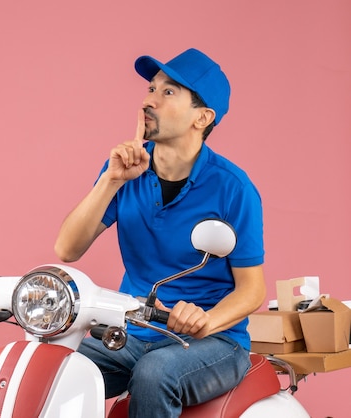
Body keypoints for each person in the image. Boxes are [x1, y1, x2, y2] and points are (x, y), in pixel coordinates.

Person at [54, 48, 266, 417]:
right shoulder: (125, 170)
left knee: (154, 374)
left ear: (202, 117)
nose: (148, 100)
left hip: (215, 343)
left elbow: (253, 289)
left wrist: (206, 320)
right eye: (151, 89)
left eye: (168, 92)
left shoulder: (233, 187)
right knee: (57, 369)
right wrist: (111, 180)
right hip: (133, 331)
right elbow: (67, 249)